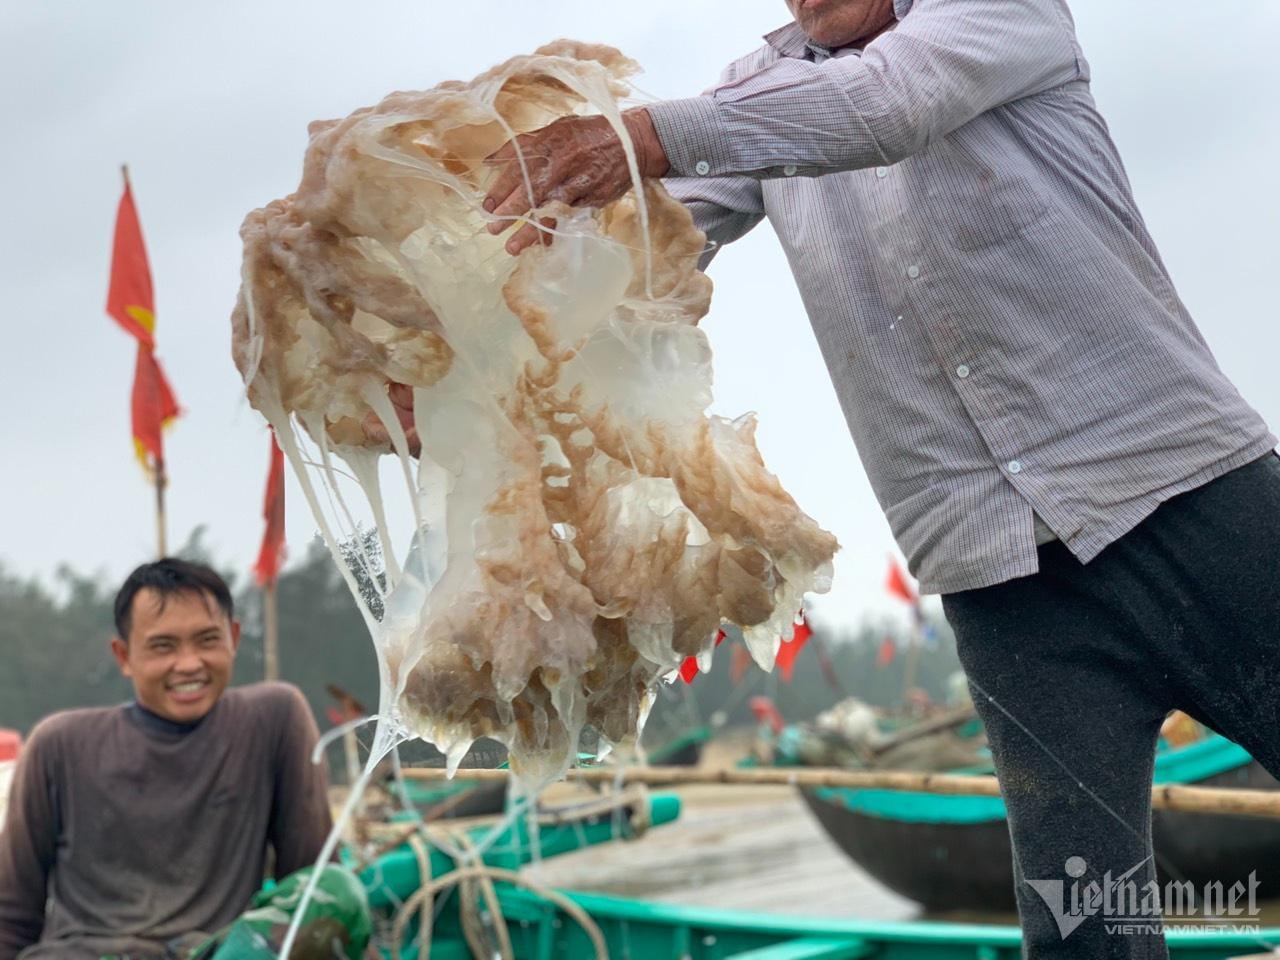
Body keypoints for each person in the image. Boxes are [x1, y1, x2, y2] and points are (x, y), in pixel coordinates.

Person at [470, 1, 1280, 956]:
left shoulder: (998, 10)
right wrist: (466, 361)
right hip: (1002, 581)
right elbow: (632, 261)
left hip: (1185, 497)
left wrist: (639, 136)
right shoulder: (750, 100)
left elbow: (886, 104)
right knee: (1082, 929)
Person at [0, 559, 338, 960]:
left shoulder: (272, 721)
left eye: (207, 640)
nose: (189, 664)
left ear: (233, 638)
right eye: (163, 646)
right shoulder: (59, 746)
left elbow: (316, 886)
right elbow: (11, 913)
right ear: (123, 655)